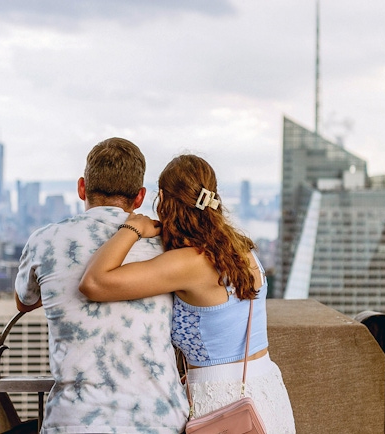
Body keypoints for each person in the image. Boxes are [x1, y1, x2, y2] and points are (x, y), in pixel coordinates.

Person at [79, 154, 296, 433]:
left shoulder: (188, 263)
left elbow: (94, 282)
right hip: (267, 392)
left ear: (162, 199)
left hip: (221, 403)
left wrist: (132, 228)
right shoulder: (243, 249)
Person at [15, 138, 189, 433]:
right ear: (139, 197)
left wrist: (61, 281)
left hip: (72, 422)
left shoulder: (44, 241)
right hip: (158, 422)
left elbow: (24, 301)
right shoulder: (166, 245)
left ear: (82, 187)